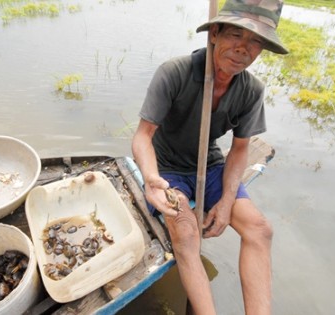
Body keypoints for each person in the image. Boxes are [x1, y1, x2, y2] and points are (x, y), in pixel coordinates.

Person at [131, 0, 289, 314]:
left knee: (260, 230)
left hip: (211, 164)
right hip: (166, 170)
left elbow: (240, 149)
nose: (244, 48)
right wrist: (151, 179)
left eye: (255, 41)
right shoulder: (175, 72)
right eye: (236, 35)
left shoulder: (251, 91)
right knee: (187, 233)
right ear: (214, 33)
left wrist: (227, 201)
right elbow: (143, 136)